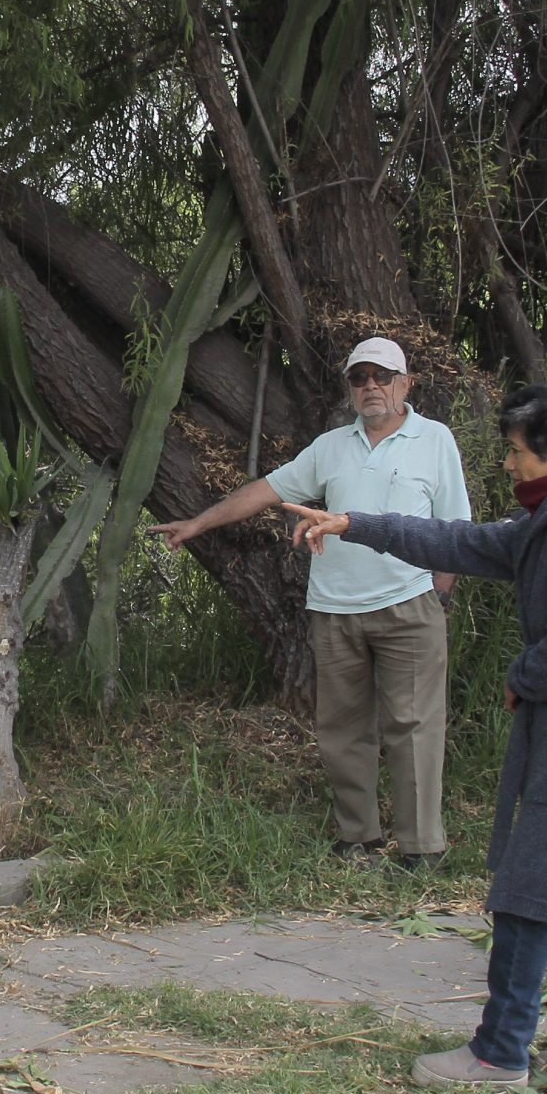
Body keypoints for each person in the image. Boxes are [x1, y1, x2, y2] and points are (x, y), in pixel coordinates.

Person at [285, 385, 547, 1089]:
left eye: (516, 452)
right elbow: (459, 540)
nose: (509, 465)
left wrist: (522, 674)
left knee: (526, 890)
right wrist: (353, 522)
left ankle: (500, 1050)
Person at [150, 338, 470, 867]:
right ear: (349, 388)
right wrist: (198, 523)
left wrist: (439, 596)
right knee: (343, 728)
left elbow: (455, 527)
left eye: (382, 375)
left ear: (406, 383)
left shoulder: (433, 440)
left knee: (413, 727)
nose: (371, 386)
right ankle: (358, 839)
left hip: (409, 604)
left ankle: (420, 849)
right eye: (359, 377)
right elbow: (268, 490)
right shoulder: (331, 446)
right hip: (335, 609)